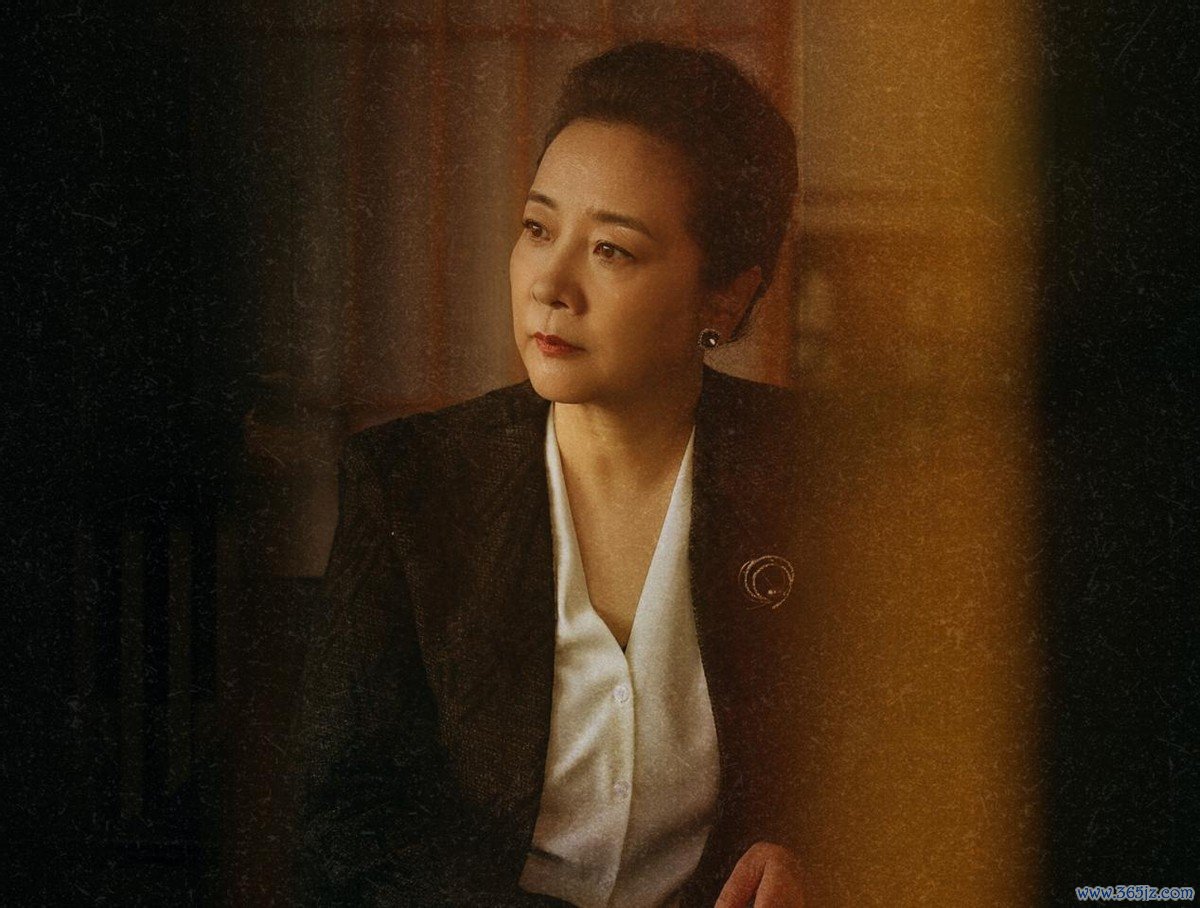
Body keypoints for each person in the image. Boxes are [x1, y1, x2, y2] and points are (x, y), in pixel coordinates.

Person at [292, 41, 809, 907]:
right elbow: (344, 823)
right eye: (538, 229)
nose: (550, 284)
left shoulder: (815, 476)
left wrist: (814, 859)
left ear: (724, 295)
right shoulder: (411, 484)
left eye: (612, 249)